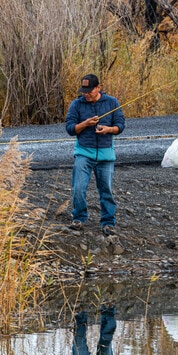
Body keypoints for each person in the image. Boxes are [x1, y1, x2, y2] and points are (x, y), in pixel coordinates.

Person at [64, 74, 125, 235]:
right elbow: (70, 128)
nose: (86, 94)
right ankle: (78, 218)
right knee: (78, 188)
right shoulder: (76, 104)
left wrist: (108, 129)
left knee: (106, 191)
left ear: (98, 88)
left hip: (106, 155)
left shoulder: (112, 102)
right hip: (83, 153)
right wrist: (85, 124)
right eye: (84, 91)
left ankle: (108, 223)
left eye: (89, 91)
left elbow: (120, 125)